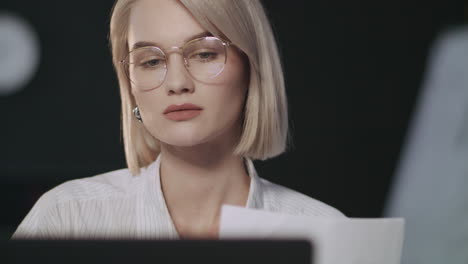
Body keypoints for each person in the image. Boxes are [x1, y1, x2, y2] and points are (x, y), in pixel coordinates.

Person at [12, 0, 344, 240]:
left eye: (204, 54)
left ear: (251, 68)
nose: (176, 83)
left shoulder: (325, 232)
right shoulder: (69, 217)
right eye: (151, 61)